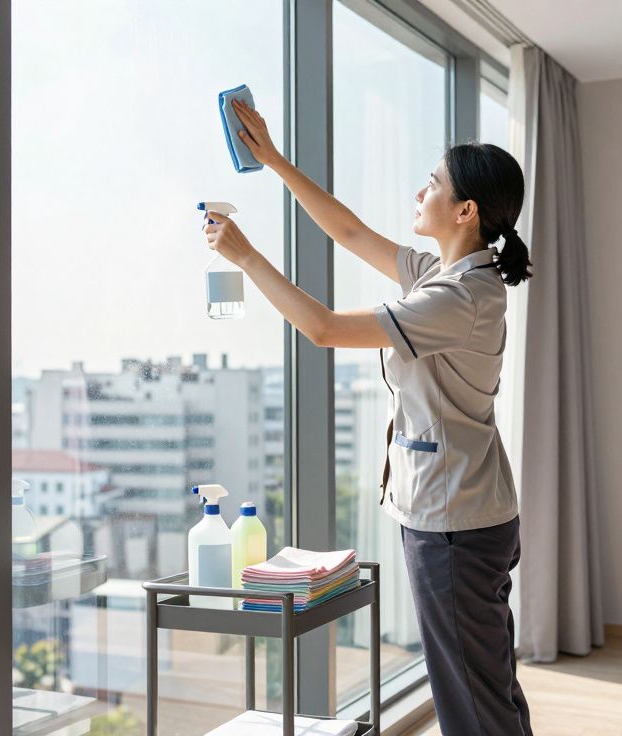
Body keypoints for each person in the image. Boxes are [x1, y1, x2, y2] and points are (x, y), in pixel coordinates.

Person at [202, 99, 534, 736]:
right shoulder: (452, 275)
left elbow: (324, 329)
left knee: (470, 700)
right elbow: (349, 233)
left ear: (466, 210)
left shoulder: (455, 297)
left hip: (453, 522)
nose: (419, 190)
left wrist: (246, 257)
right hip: (468, 512)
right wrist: (273, 160)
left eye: (433, 183)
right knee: (486, 685)